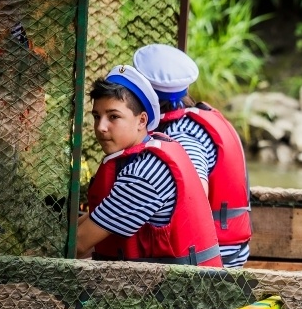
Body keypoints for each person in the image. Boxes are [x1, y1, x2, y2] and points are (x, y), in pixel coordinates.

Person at [77, 65, 222, 267]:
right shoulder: (146, 150)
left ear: (141, 120)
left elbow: (78, 243)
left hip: (179, 294)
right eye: (96, 116)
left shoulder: (144, 175)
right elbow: (96, 218)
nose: (101, 127)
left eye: (113, 117)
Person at [133, 44, 252, 268]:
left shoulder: (183, 135)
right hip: (227, 250)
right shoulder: (189, 119)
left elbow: (193, 200)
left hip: (211, 259)